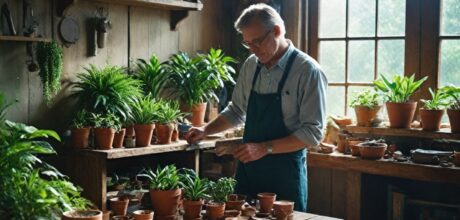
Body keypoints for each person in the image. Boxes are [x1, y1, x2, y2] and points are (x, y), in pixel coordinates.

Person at [185, 3, 327, 212]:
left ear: (277, 31)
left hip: (285, 175)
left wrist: (264, 148)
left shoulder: (308, 71)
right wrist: (206, 130)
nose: (252, 49)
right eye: (247, 43)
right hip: (249, 172)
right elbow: (236, 111)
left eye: (257, 42)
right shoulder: (251, 65)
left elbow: (313, 133)